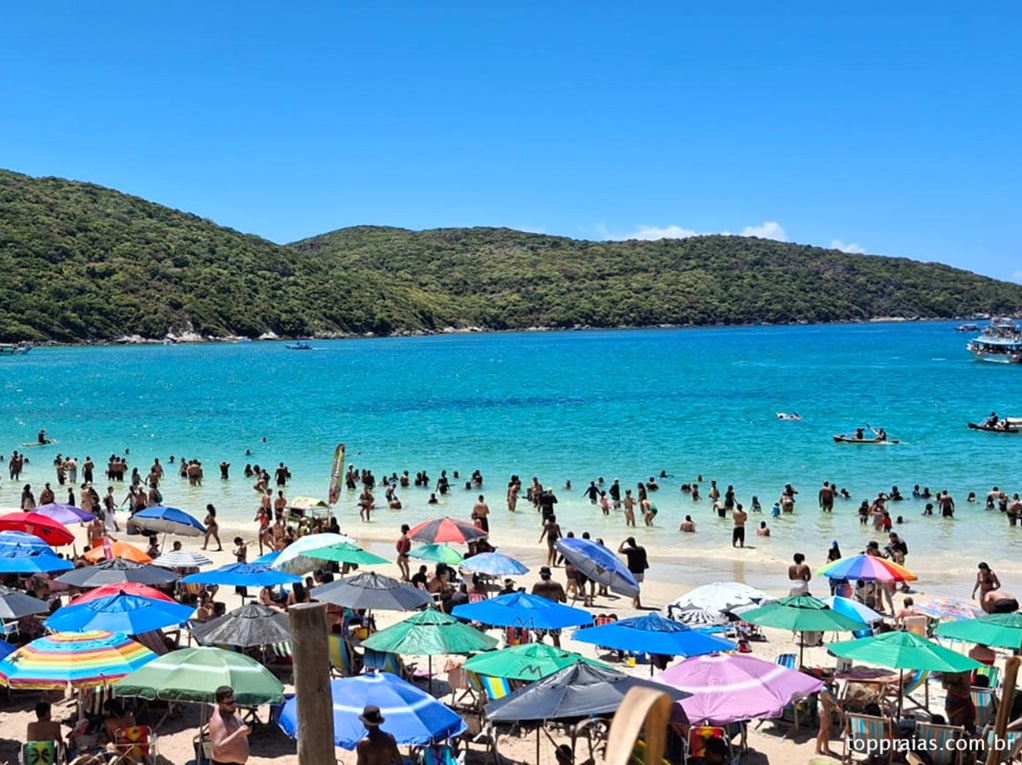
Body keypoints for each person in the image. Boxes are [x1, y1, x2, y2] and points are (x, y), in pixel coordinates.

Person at [209, 685, 250, 764]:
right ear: (220, 704)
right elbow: (218, 749)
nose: (233, 705)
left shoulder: (232, 711)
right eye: (229, 703)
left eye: (234, 701)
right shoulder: (218, 721)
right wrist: (238, 734)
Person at [531, 566, 567, 647]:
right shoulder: (557, 585)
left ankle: (537, 655)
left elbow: (532, 599)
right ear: (550, 574)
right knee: (555, 637)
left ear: (541, 575)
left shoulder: (537, 585)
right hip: (554, 612)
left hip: (542, 612)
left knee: (539, 637)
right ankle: (558, 655)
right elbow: (564, 600)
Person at [618, 537, 649, 608]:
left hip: (633, 572)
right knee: (637, 586)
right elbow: (645, 557)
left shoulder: (630, 550)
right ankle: (635, 601)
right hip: (641, 571)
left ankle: (638, 603)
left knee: (635, 587)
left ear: (629, 543)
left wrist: (622, 542)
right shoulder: (641, 549)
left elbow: (619, 550)